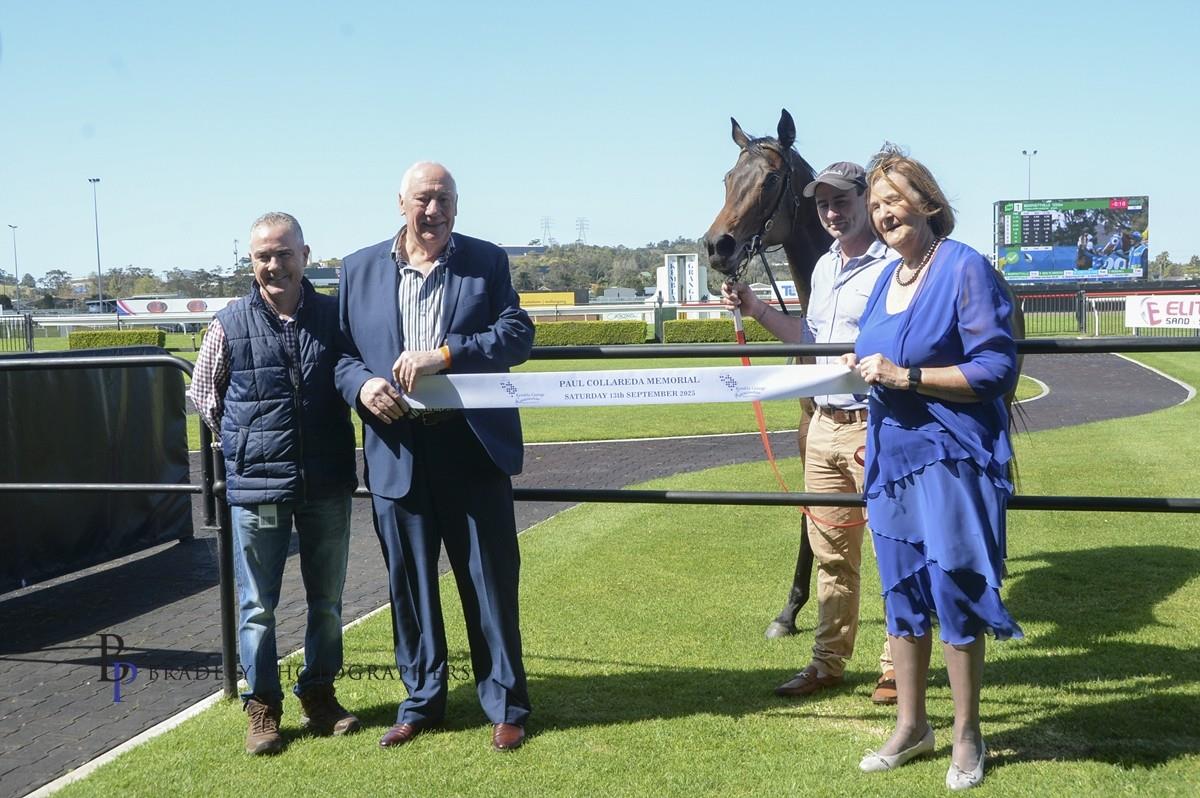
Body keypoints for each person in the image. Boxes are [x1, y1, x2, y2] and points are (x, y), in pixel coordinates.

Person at [334, 162, 535, 752]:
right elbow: (339, 355)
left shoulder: (486, 261)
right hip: (396, 450)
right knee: (410, 587)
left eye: (444, 199)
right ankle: (421, 702)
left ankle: (506, 705)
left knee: (490, 583)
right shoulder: (357, 269)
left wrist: (445, 354)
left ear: (456, 205)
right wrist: (361, 386)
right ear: (400, 203)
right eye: (423, 198)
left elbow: (517, 334)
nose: (434, 210)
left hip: (472, 448)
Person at [845, 147, 1021, 790]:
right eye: (876, 204)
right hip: (891, 458)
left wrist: (907, 376)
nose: (883, 212)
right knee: (903, 592)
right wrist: (860, 368)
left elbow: (995, 369)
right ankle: (912, 726)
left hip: (951, 458)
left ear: (927, 202)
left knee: (954, 590)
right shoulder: (884, 279)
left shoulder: (964, 267)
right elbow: (877, 354)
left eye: (894, 199)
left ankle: (967, 735)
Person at [721, 161, 896, 704]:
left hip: (875, 424)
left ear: (866, 200)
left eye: (841, 201)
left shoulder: (894, 266)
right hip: (823, 427)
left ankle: (895, 668)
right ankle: (827, 662)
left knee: (893, 551)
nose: (832, 212)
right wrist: (756, 308)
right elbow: (809, 337)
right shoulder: (824, 268)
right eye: (823, 204)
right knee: (832, 555)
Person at [188, 212, 360, 755]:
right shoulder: (229, 322)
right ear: (251, 260)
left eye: (284, 253)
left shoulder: (335, 317)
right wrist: (245, 446)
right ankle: (262, 706)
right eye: (264, 255)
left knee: (327, 601)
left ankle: (319, 694)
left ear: (305, 256)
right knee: (257, 607)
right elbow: (204, 396)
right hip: (258, 489)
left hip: (327, 483)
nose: (274, 264)